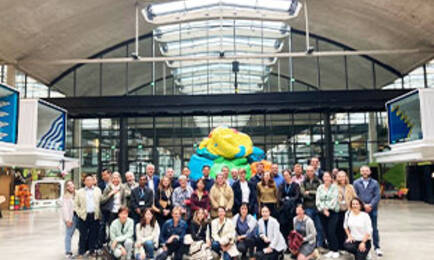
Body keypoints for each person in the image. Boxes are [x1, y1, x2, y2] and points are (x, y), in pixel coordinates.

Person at [353, 165, 382, 257]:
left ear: (369, 172)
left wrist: (370, 205)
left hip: (372, 209)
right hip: (361, 210)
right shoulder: (356, 183)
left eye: (366, 171)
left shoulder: (375, 183)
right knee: (361, 228)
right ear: (360, 172)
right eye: (363, 171)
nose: (365, 172)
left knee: (373, 228)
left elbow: (377, 196)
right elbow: (355, 195)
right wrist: (363, 205)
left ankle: (377, 247)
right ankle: (364, 246)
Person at [74, 174, 102, 257]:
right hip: (83, 216)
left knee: (93, 234)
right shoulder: (79, 192)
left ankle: (91, 251)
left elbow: (101, 202)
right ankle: (81, 252)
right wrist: (79, 213)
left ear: (93, 181)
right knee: (83, 235)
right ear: (84, 182)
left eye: (91, 180)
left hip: (94, 216)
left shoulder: (98, 190)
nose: (89, 182)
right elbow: (76, 205)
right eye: (87, 180)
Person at [316, 171, 340, 258]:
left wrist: (327, 208)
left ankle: (335, 249)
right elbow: (318, 201)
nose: (326, 178)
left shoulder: (334, 188)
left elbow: (334, 200)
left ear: (331, 178)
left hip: (333, 212)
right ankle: (330, 249)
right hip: (322, 213)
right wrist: (323, 209)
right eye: (324, 177)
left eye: (328, 176)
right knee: (326, 232)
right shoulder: (320, 188)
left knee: (331, 231)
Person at [300, 165, 324, 248]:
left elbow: (320, 192)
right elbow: (302, 193)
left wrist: (309, 192)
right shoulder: (303, 181)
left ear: (314, 171)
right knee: (309, 228)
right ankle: (311, 245)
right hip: (307, 207)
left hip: (317, 207)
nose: (309, 172)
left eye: (311, 171)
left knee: (319, 227)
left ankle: (319, 245)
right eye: (308, 171)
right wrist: (311, 194)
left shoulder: (319, 181)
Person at [336, 170, 358, 250]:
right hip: (339, 212)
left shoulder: (350, 187)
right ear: (337, 178)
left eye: (343, 176)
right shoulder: (334, 187)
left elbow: (355, 198)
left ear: (346, 177)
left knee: (349, 229)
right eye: (339, 176)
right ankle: (340, 247)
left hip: (349, 212)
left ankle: (349, 247)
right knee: (339, 230)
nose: (342, 178)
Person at [278, 169, 301, 240]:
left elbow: (297, 196)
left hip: (292, 209)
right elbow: (279, 197)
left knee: (292, 227)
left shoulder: (295, 185)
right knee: (283, 227)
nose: (285, 177)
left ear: (290, 175)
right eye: (284, 175)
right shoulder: (282, 186)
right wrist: (284, 200)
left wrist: (289, 200)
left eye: (287, 175)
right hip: (284, 210)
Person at [97, 168, 112, 249]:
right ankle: (101, 244)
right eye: (102, 175)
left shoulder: (115, 183)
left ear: (110, 174)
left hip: (112, 210)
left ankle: (110, 243)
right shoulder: (100, 185)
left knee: (111, 226)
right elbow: (100, 199)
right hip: (103, 209)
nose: (103, 177)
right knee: (102, 226)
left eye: (105, 174)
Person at [62, 180, 77, 258]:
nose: (71, 186)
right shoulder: (66, 196)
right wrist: (67, 220)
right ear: (66, 187)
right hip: (71, 218)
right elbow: (65, 209)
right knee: (69, 234)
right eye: (68, 185)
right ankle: (68, 252)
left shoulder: (76, 194)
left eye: (71, 184)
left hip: (78, 216)